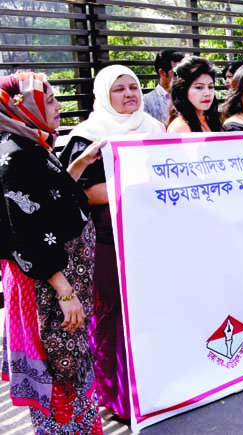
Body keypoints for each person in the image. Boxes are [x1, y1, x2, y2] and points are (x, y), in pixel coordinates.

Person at [0, 71, 106, 434]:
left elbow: (51, 202)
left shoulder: (32, 145)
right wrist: (64, 290)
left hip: (59, 282)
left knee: (71, 366)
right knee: (56, 368)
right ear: (23, 107)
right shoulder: (14, 159)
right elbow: (24, 236)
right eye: (48, 99)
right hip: (45, 286)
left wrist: (79, 164)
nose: (59, 106)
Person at [56, 65, 164, 421]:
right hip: (107, 242)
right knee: (111, 316)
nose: (130, 94)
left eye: (134, 87)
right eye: (119, 89)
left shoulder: (154, 129)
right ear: (104, 95)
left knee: (151, 309)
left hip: (152, 235)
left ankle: (152, 385)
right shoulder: (87, 136)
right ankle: (115, 394)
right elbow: (82, 192)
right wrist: (138, 187)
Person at [167, 56, 223, 133]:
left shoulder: (211, 120)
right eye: (199, 87)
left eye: (210, 87)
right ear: (183, 90)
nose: (207, 93)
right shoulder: (180, 128)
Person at [143, 49, 184, 125]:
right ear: (162, 72)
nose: (181, 77)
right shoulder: (147, 102)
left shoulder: (189, 97)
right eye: (176, 73)